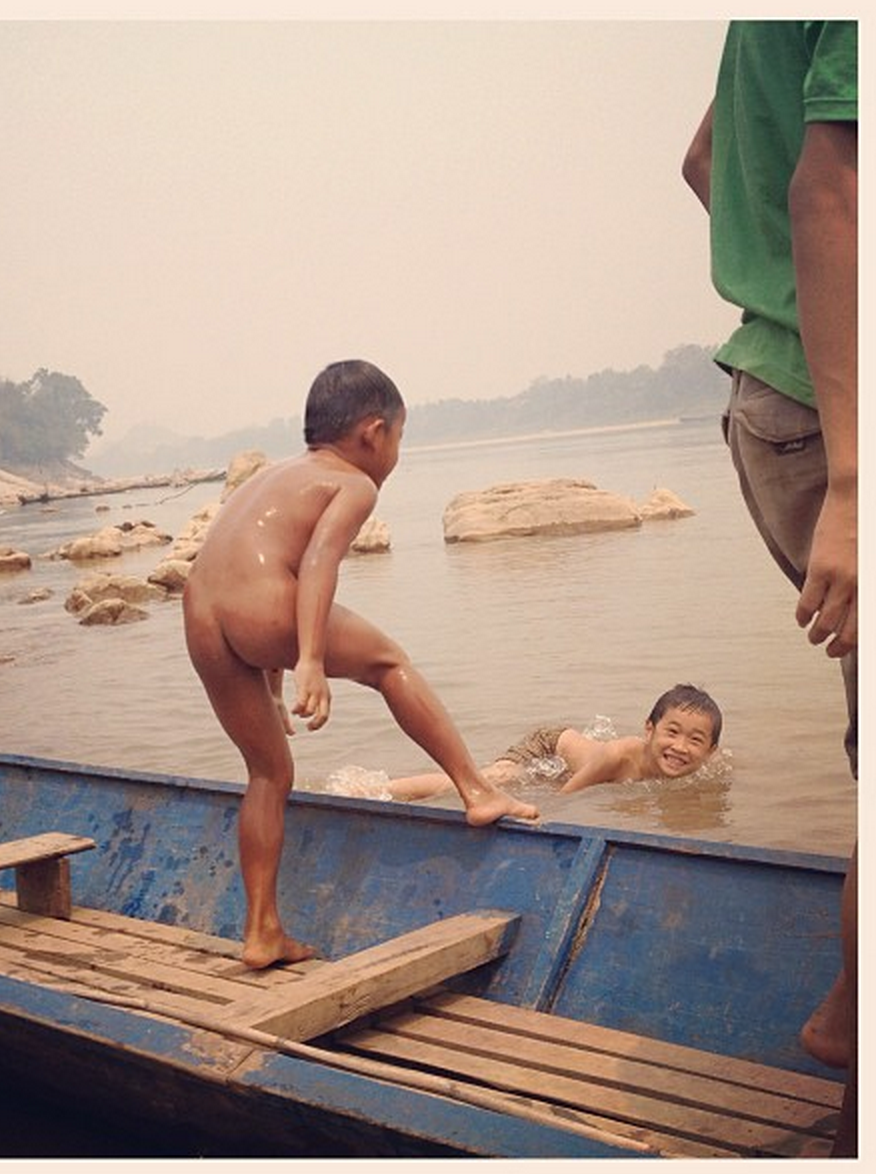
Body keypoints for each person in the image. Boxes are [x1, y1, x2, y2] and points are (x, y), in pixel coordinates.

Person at [182, 359, 539, 969]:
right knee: (389, 664)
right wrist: (311, 660)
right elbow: (318, 562)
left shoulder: (274, 476)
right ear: (374, 433)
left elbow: (249, 558)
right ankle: (478, 791)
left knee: (268, 775)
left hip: (200, 611)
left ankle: (261, 930)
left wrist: (270, 682)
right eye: (399, 438)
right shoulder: (354, 482)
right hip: (262, 608)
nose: (396, 454)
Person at [682, 21, 856, 1157]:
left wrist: (773, 297)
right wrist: (852, 474)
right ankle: (852, 1069)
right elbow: (826, 188)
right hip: (832, 423)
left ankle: (848, 1023)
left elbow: (704, 159)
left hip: (770, 390)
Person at [385, 684, 722, 803]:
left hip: (572, 760)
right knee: (487, 783)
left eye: (695, 740)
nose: (680, 747)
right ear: (649, 729)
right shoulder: (617, 756)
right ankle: (380, 789)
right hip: (548, 747)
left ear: (711, 752)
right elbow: (567, 795)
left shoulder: (704, 769)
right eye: (672, 732)